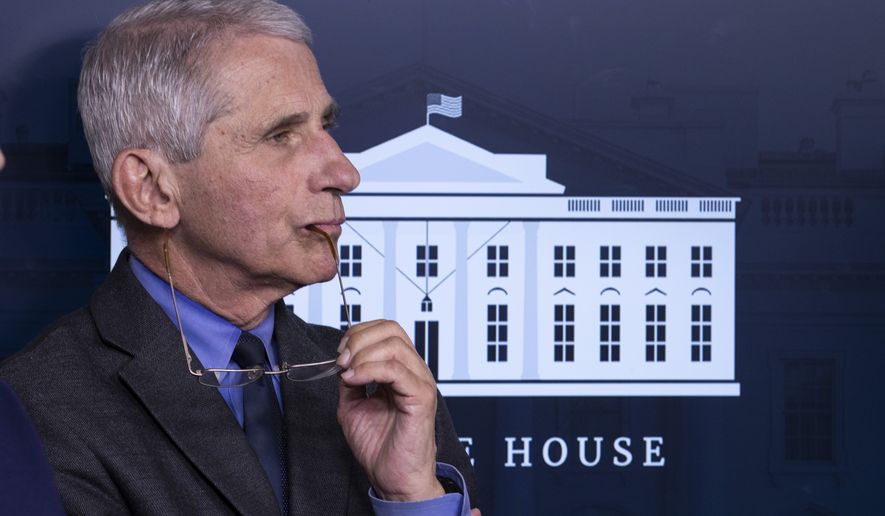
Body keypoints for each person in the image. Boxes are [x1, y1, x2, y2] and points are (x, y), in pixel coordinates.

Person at [0, 1, 478, 515]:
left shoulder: (386, 386)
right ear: (151, 189)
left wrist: (409, 498)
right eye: (280, 136)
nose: (344, 173)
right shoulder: (35, 413)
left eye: (326, 126)